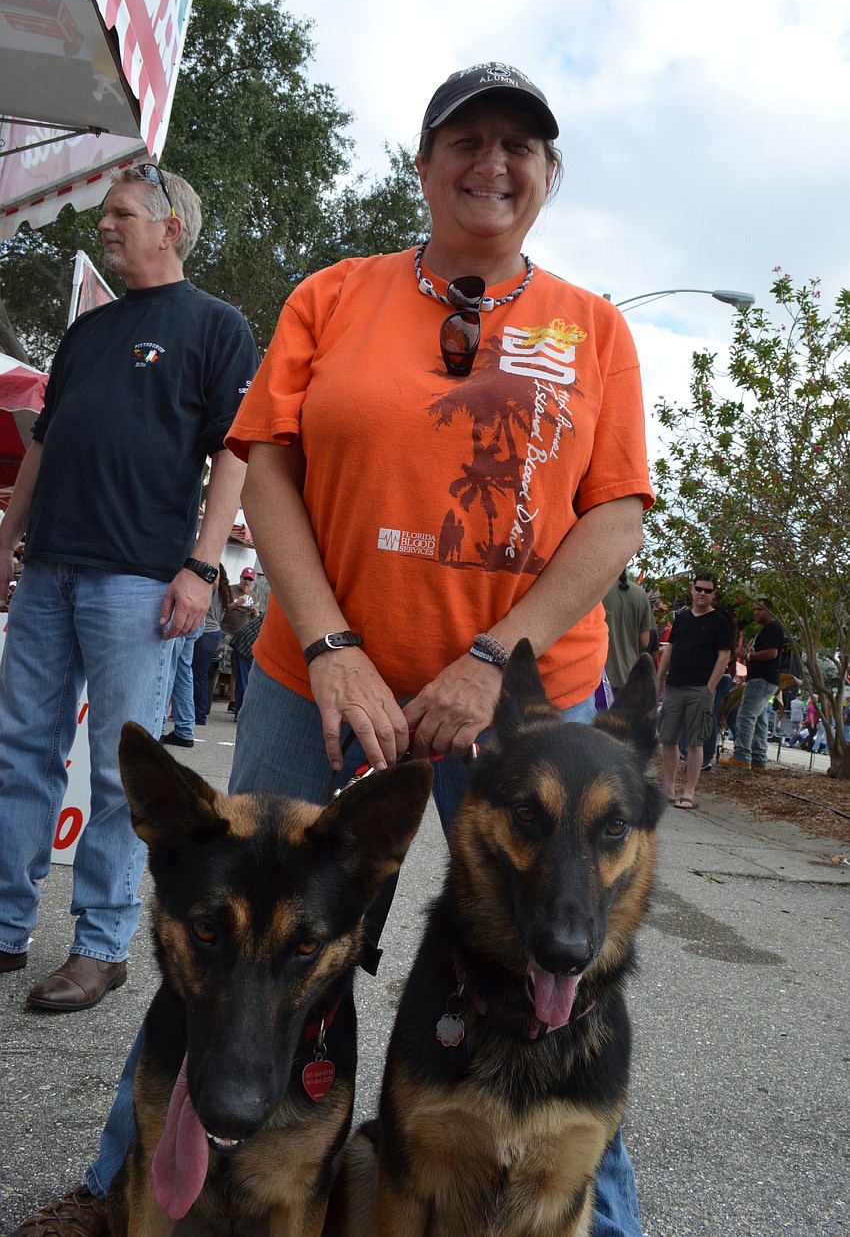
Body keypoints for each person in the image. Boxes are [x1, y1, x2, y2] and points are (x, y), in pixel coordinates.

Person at [16, 62, 653, 1237]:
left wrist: (490, 658)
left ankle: (600, 1218)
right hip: (315, 674)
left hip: (518, 705)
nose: (493, 164)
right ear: (422, 166)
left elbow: (615, 511)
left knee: (559, 957)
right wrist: (331, 644)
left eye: (521, 146)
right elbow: (267, 461)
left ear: (548, 177)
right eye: (466, 140)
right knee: (223, 926)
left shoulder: (594, 326)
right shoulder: (335, 294)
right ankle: (121, 1182)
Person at [0, 165, 259, 1012]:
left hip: (140, 581)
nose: (104, 224)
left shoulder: (217, 327)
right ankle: (5, 926)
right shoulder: (88, 331)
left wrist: (200, 565)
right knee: (20, 751)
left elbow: (235, 452)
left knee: (124, 773)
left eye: (119, 213)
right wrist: (7, 538)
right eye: (106, 212)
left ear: (169, 227)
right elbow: (45, 443)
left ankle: (102, 946)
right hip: (48, 570)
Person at [657, 574, 733, 808]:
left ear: (713, 595)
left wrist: (710, 688)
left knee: (694, 742)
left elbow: (724, 657)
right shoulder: (681, 619)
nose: (702, 593)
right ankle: (668, 788)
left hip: (700, 689)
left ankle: (688, 792)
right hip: (674, 687)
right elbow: (670, 650)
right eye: (699, 589)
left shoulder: (719, 622)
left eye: (707, 590)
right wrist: (658, 679)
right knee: (667, 739)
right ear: (692, 590)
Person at [718, 597, 785, 771]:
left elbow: (772, 653)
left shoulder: (773, 628)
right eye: (754, 609)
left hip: (762, 679)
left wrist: (747, 656)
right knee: (760, 719)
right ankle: (758, 757)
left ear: (770, 610)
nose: (755, 612)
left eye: (759, 609)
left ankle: (742, 756)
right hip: (764, 679)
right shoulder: (768, 629)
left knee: (745, 716)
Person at [601, 570, 654, 692]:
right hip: (630, 677)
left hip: (600, 679)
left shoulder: (596, 592)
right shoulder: (640, 594)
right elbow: (644, 642)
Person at [191, 564, 229, 726]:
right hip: (215, 633)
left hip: (205, 632)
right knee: (206, 675)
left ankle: (198, 714)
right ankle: (202, 711)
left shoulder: (209, 588)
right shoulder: (224, 593)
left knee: (196, 674)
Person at [221, 564, 260, 717]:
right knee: (219, 664)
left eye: (250, 580)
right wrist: (237, 604)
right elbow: (225, 608)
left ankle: (233, 700)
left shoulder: (253, 595)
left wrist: (255, 613)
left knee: (236, 669)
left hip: (241, 635)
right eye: (245, 578)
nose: (247, 582)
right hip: (225, 631)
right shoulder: (231, 590)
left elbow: (252, 616)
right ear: (240, 578)